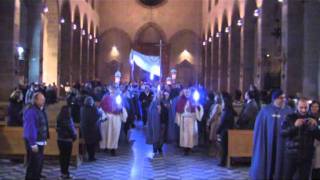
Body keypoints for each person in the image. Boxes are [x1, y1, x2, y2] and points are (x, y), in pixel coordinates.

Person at [250, 89, 293, 180]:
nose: (283, 100)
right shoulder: (265, 111)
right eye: (280, 98)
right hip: (268, 142)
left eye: (284, 98)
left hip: (282, 142)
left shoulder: (288, 111)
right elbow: (259, 129)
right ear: (274, 99)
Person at [281, 98, 320, 179]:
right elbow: (282, 133)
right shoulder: (290, 117)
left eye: (305, 107)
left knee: (304, 178)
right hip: (292, 154)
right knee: (287, 177)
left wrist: (315, 127)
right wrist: (295, 126)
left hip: (307, 155)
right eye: (301, 107)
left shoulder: (313, 118)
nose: (303, 110)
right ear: (297, 106)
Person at [23, 92, 49, 180]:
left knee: (38, 164)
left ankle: (36, 176)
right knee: (33, 165)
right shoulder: (31, 111)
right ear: (35, 100)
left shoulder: (40, 110)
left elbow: (43, 124)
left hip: (40, 141)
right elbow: (31, 128)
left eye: (44, 99)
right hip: (34, 142)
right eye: (41, 99)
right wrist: (33, 144)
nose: (43, 101)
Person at [100, 87, 128, 156]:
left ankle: (113, 149)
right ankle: (105, 147)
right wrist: (104, 115)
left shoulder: (118, 98)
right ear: (109, 91)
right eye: (111, 91)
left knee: (115, 133)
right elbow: (102, 108)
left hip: (116, 118)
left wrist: (121, 109)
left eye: (114, 91)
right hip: (107, 118)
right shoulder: (106, 98)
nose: (112, 92)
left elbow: (122, 108)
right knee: (106, 133)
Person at [175, 88, 204, 155]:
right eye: (186, 92)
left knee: (191, 135)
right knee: (185, 136)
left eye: (188, 92)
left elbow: (196, 109)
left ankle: (190, 148)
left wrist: (198, 107)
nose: (187, 94)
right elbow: (178, 111)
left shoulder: (192, 100)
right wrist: (179, 120)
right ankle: (185, 149)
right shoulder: (181, 100)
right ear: (184, 93)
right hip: (184, 120)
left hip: (191, 121)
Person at [56, 101, 77, 179]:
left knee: (62, 157)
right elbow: (71, 129)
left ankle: (63, 173)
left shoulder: (59, 117)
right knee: (67, 158)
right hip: (67, 140)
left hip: (60, 140)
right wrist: (74, 136)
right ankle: (66, 173)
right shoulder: (68, 118)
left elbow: (57, 129)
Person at [216, 92, 236, 166]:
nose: (222, 103)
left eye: (223, 102)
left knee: (224, 147)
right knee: (225, 147)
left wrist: (218, 131)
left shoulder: (226, 111)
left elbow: (222, 122)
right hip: (229, 130)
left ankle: (223, 162)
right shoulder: (230, 111)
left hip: (225, 131)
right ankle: (224, 161)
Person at [80, 96, 100, 161]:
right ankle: (92, 156)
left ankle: (90, 155)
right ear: (92, 102)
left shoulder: (82, 109)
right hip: (92, 129)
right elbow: (96, 117)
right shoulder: (94, 109)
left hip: (85, 129)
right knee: (93, 143)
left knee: (88, 143)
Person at [146, 91, 165, 158]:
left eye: (161, 95)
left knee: (161, 136)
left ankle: (159, 148)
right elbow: (153, 112)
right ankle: (155, 149)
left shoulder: (162, 102)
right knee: (156, 135)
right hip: (156, 122)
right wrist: (158, 111)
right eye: (159, 95)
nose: (161, 96)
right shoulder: (154, 103)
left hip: (162, 122)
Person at [206, 93, 222, 157]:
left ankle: (217, 152)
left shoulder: (218, 106)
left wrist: (209, 122)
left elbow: (214, 115)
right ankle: (215, 152)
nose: (215, 98)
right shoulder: (217, 105)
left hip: (215, 123)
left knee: (214, 139)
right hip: (216, 122)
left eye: (216, 97)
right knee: (214, 138)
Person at [309, 101, 320, 179]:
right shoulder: (308, 116)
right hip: (309, 143)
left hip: (318, 144)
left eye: (316, 106)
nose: (314, 108)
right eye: (313, 106)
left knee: (317, 165)